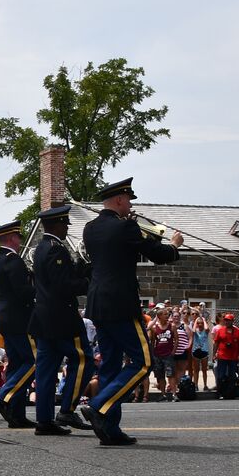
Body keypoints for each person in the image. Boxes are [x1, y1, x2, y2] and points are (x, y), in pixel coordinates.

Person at [78, 178, 183, 445]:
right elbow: (158, 254)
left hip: (98, 304)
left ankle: (109, 429)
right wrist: (175, 245)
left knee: (111, 367)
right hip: (121, 303)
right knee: (143, 361)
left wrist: (134, 227)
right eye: (129, 200)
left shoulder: (90, 229)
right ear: (120, 200)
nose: (130, 205)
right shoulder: (127, 227)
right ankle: (100, 404)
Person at [28, 205, 95, 435]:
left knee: (45, 371)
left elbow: (58, 278)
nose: (67, 227)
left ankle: (44, 421)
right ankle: (67, 408)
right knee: (85, 360)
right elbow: (62, 286)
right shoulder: (56, 250)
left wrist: (78, 269)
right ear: (56, 225)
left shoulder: (41, 249)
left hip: (45, 319)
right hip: (62, 319)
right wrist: (87, 283)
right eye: (64, 223)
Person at [0, 220, 36, 428]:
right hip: (19, 319)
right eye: (18, 237)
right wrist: (39, 287)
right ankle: (5, 396)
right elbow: (23, 292)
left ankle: (16, 414)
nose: (19, 241)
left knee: (17, 364)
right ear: (10, 238)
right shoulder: (13, 260)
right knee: (32, 362)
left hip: (6, 318)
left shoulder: (0, 259)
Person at [212, 314, 239, 399]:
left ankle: (230, 393)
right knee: (220, 376)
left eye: (228, 320)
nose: (227, 322)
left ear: (232, 321)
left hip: (233, 357)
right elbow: (216, 343)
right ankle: (220, 393)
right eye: (225, 320)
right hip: (222, 356)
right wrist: (214, 354)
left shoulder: (238, 331)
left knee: (232, 376)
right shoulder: (220, 330)